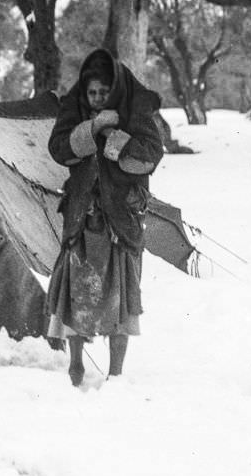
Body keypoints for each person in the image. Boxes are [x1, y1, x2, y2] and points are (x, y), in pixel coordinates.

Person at [47, 48, 164, 386]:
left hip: (120, 219)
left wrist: (117, 141)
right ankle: (75, 365)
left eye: (103, 93)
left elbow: (151, 153)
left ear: (115, 90)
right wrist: (93, 127)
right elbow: (58, 148)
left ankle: (115, 372)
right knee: (76, 295)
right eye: (92, 93)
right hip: (82, 217)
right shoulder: (76, 108)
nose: (97, 98)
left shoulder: (135, 106)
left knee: (120, 298)